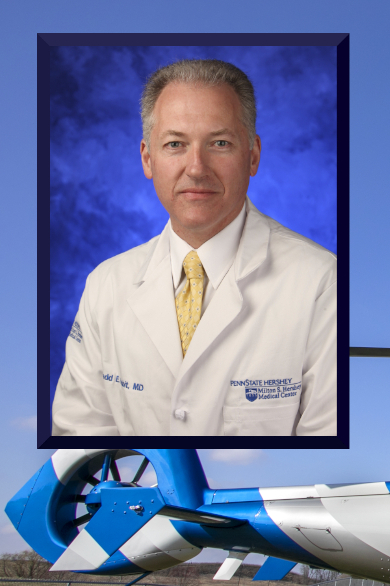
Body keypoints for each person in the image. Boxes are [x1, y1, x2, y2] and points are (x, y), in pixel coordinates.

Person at [52, 59, 337, 436]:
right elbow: (79, 441)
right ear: (147, 158)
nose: (197, 167)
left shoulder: (321, 282)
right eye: (175, 144)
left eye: (220, 143)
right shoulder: (105, 286)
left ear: (252, 155)